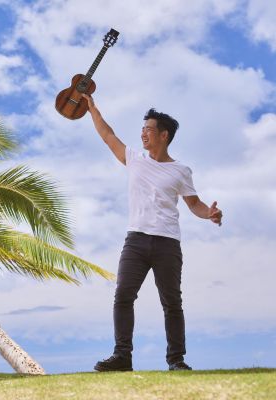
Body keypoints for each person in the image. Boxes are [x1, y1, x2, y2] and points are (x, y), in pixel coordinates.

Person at [81, 93, 223, 372]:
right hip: (135, 240)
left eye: (148, 129)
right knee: (123, 295)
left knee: (171, 302)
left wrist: (210, 214)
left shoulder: (181, 170)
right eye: (142, 129)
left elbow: (194, 204)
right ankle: (122, 357)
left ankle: (176, 360)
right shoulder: (134, 159)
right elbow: (108, 135)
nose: (142, 134)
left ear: (164, 135)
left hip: (168, 243)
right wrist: (92, 109)